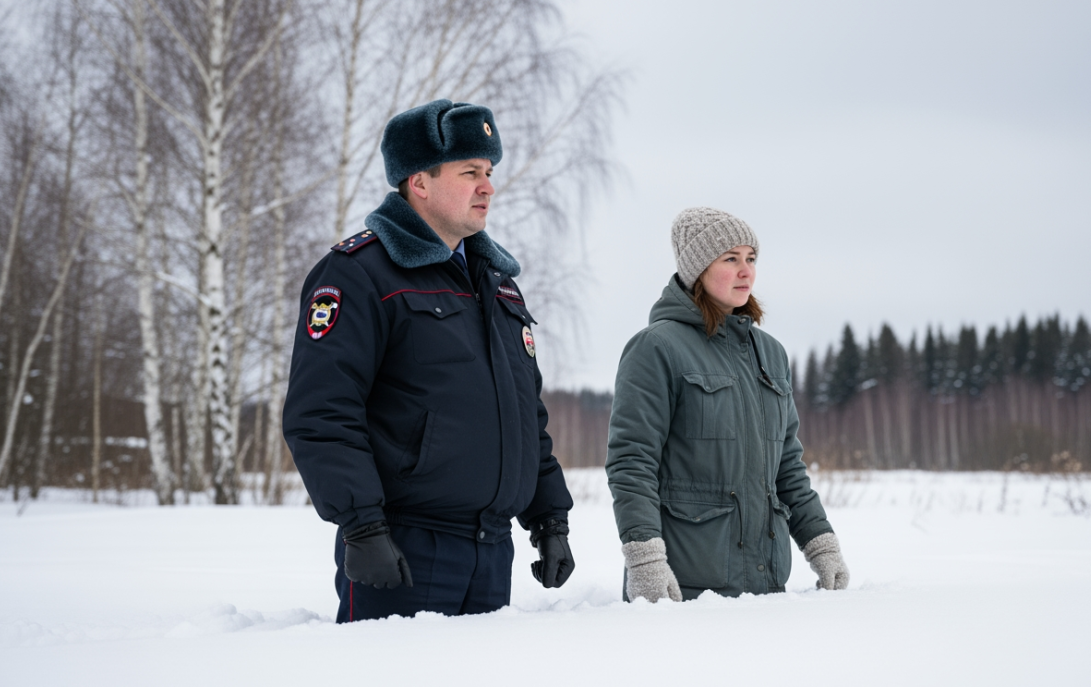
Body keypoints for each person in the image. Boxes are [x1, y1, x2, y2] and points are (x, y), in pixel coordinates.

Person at [283, 99, 575, 622]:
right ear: (419, 182)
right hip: (402, 550)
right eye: (470, 172)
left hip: (492, 552)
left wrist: (549, 518)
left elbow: (524, 414)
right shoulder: (359, 273)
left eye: (489, 172)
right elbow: (321, 413)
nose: (488, 186)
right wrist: (363, 526)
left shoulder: (497, 284)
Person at [605, 207, 850, 601]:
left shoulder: (769, 353)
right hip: (684, 590)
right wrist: (645, 559)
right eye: (730, 259)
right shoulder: (656, 348)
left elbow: (786, 466)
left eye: (751, 259)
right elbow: (632, 462)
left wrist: (820, 544)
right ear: (697, 269)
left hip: (766, 585)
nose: (746, 271)